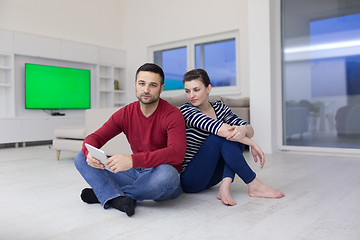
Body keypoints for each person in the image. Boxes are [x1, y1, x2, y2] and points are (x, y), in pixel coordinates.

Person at [74, 63, 186, 217]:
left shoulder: (173, 115)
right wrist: (89, 153)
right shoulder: (126, 112)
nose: (146, 90)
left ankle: (108, 195)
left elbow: (176, 153)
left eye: (153, 85)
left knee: (168, 175)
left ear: (161, 88)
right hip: (134, 173)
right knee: (80, 157)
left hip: (159, 174)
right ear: (135, 85)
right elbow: (95, 137)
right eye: (142, 84)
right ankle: (116, 197)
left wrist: (133, 160)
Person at [180, 69, 284, 206]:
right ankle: (254, 184)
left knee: (237, 135)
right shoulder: (186, 110)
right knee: (220, 137)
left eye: (196, 90)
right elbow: (220, 129)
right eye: (187, 91)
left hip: (212, 177)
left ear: (208, 88)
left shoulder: (219, 107)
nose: (191, 95)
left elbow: (249, 130)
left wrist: (243, 129)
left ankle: (224, 187)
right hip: (191, 179)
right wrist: (252, 143)